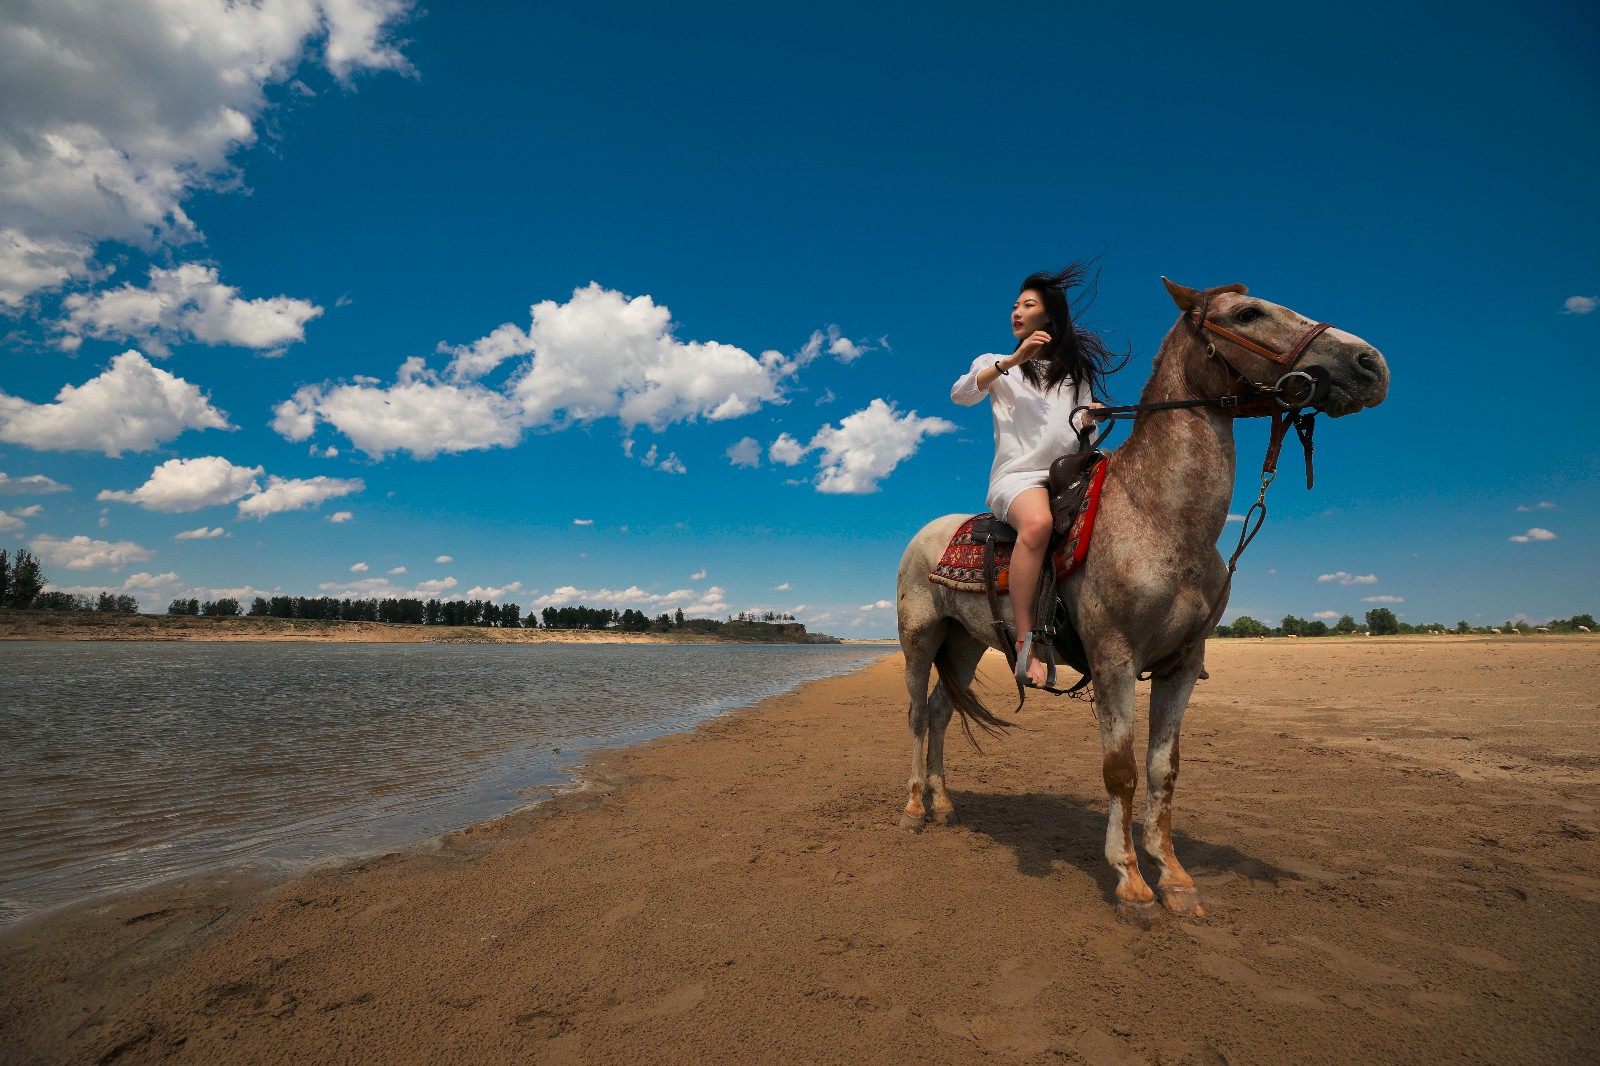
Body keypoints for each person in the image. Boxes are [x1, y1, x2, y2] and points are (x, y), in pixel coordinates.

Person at [950, 264, 1122, 686]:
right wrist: (1012, 361)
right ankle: (1026, 644)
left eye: (1028, 305)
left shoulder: (1074, 374)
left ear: (1049, 317)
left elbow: (1084, 430)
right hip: (1020, 477)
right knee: (1039, 523)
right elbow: (961, 395)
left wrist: (1091, 417)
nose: (1016, 312)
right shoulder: (995, 362)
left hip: (1068, 475)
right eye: (1015, 306)